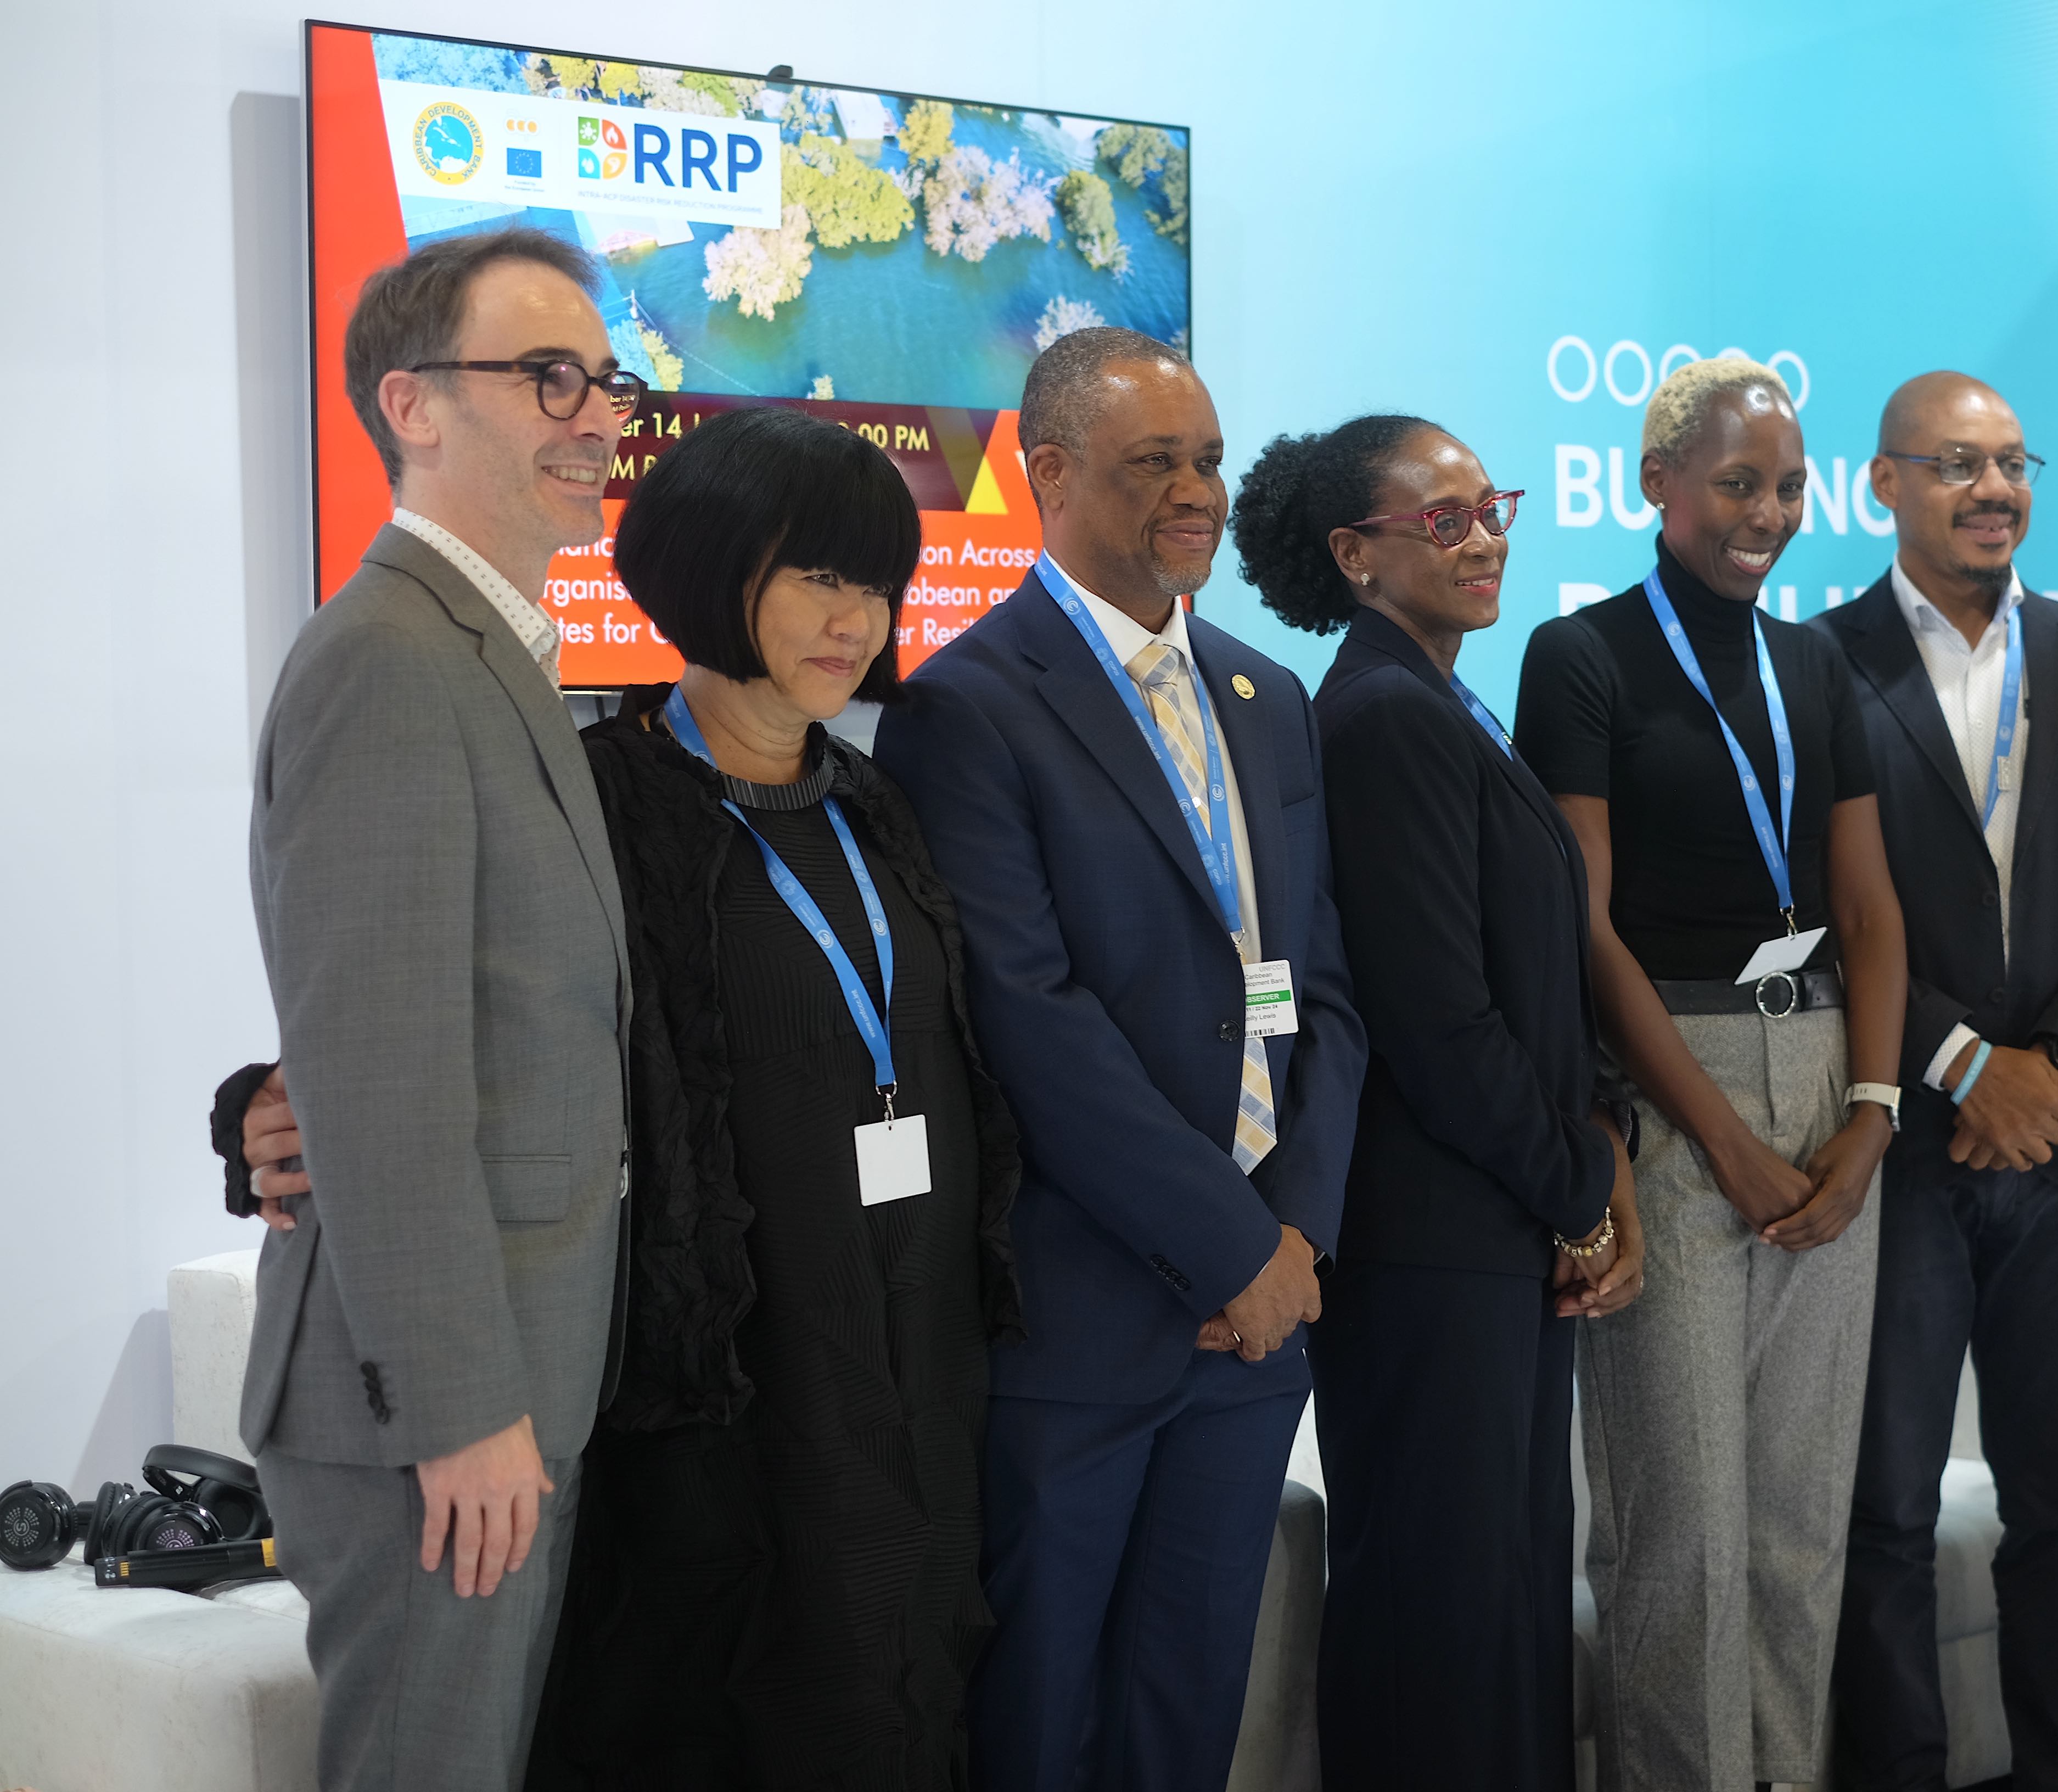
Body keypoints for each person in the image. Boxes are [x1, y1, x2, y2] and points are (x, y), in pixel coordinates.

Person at [873, 327, 1365, 1792]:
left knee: (1191, 1702)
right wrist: (1229, 1249)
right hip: (1088, 1312)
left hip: (1260, 1317)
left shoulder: (1266, 695)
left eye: (1208, 458)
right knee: (1046, 1713)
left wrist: (1298, 1239)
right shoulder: (969, 707)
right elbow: (1033, 1020)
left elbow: (1321, 988)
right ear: (1050, 477)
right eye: (1157, 461)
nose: (1196, 490)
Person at [515, 406, 1023, 1787]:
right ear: (706, 568)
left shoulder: (873, 800)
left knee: (918, 1669)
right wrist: (279, 1098)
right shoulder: (602, 801)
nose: (854, 617)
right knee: (771, 1691)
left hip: (919, 1336)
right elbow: (482, 1021)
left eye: (874, 582)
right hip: (738, 1365)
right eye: (816, 575)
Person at [237, 226, 637, 1790]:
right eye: (548, 379)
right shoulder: (387, 657)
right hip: (435, 1412)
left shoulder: (497, 655)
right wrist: (465, 1411)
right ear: (412, 405)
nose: (596, 418)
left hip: (513, 1378)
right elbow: (381, 1079)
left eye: (605, 381)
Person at [1230, 415, 1642, 1791]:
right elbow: (1435, 1021)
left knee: (1506, 1612)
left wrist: (1582, 1171)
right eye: (1445, 519)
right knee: (1442, 1626)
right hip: (1433, 1249)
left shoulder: (1442, 695)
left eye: (1494, 507)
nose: (1488, 538)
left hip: (1494, 1235)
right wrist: (1577, 1187)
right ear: (1355, 556)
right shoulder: (1381, 716)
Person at [1515, 355, 1909, 1792]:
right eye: (1740, 483)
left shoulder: (1819, 663)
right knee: (1682, 1530)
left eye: (1791, 487)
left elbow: (1868, 913)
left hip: (1823, 1072)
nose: (1769, 513)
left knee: (1801, 1522)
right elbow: (1585, 925)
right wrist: (1720, 1141)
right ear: (1657, 485)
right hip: (1671, 1083)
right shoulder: (1585, 657)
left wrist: (1870, 1117)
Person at [1820, 372, 2058, 1792]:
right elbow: (1815, 908)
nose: (1994, 488)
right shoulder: (1820, 661)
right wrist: (1967, 1064)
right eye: (1956, 465)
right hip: (1902, 1152)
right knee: (1886, 1513)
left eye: (2011, 462)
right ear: (1885, 487)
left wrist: (2057, 1069)